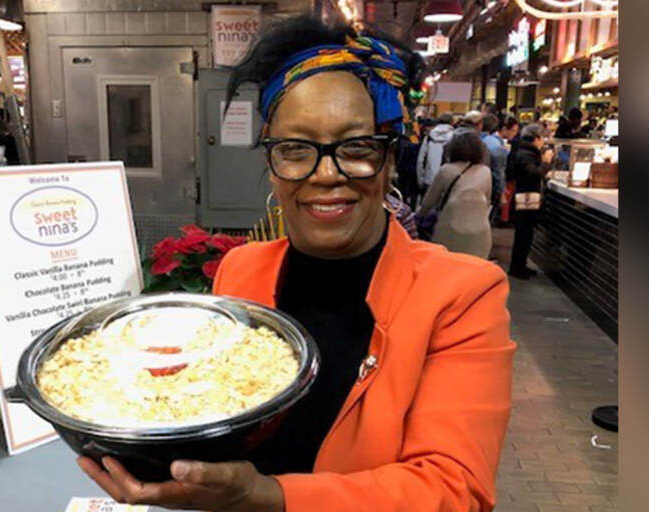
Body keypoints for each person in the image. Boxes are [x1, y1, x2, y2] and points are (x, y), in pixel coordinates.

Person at [78, 15, 514, 512]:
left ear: (389, 159)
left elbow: (454, 490)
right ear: (272, 164)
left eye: (356, 148)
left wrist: (267, 497)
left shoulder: (460, 294)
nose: (326, 174)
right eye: (294, 149)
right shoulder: (241, 270)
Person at [418, 128, 493, 258]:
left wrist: (419, 217)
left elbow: (428, 203)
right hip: (480, 233)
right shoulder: (485, 172)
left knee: (448, 269)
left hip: (449, 229)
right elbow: (487, 201)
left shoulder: (446, 170)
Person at [509, 123, 552, 279]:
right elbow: (533, 173)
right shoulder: (527, 153)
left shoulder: (524, 151)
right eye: (542, 138)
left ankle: (520, 266)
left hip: (526, 196)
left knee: (525, 234)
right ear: (536, 138)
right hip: (527, 197)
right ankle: (517, 268)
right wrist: (546, 162)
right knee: (524, 234)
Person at [416, 112, 454, 196]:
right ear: (452, 122)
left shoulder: (429, 137)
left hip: (429, 179)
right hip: (448, 180)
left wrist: (420, 179)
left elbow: (420, 160)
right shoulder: (455, 137)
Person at [480, 114, 508, 213]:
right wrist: (501, 192)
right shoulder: (495, 145)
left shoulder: (467, 138)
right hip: (488, 186)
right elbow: (498, 171)